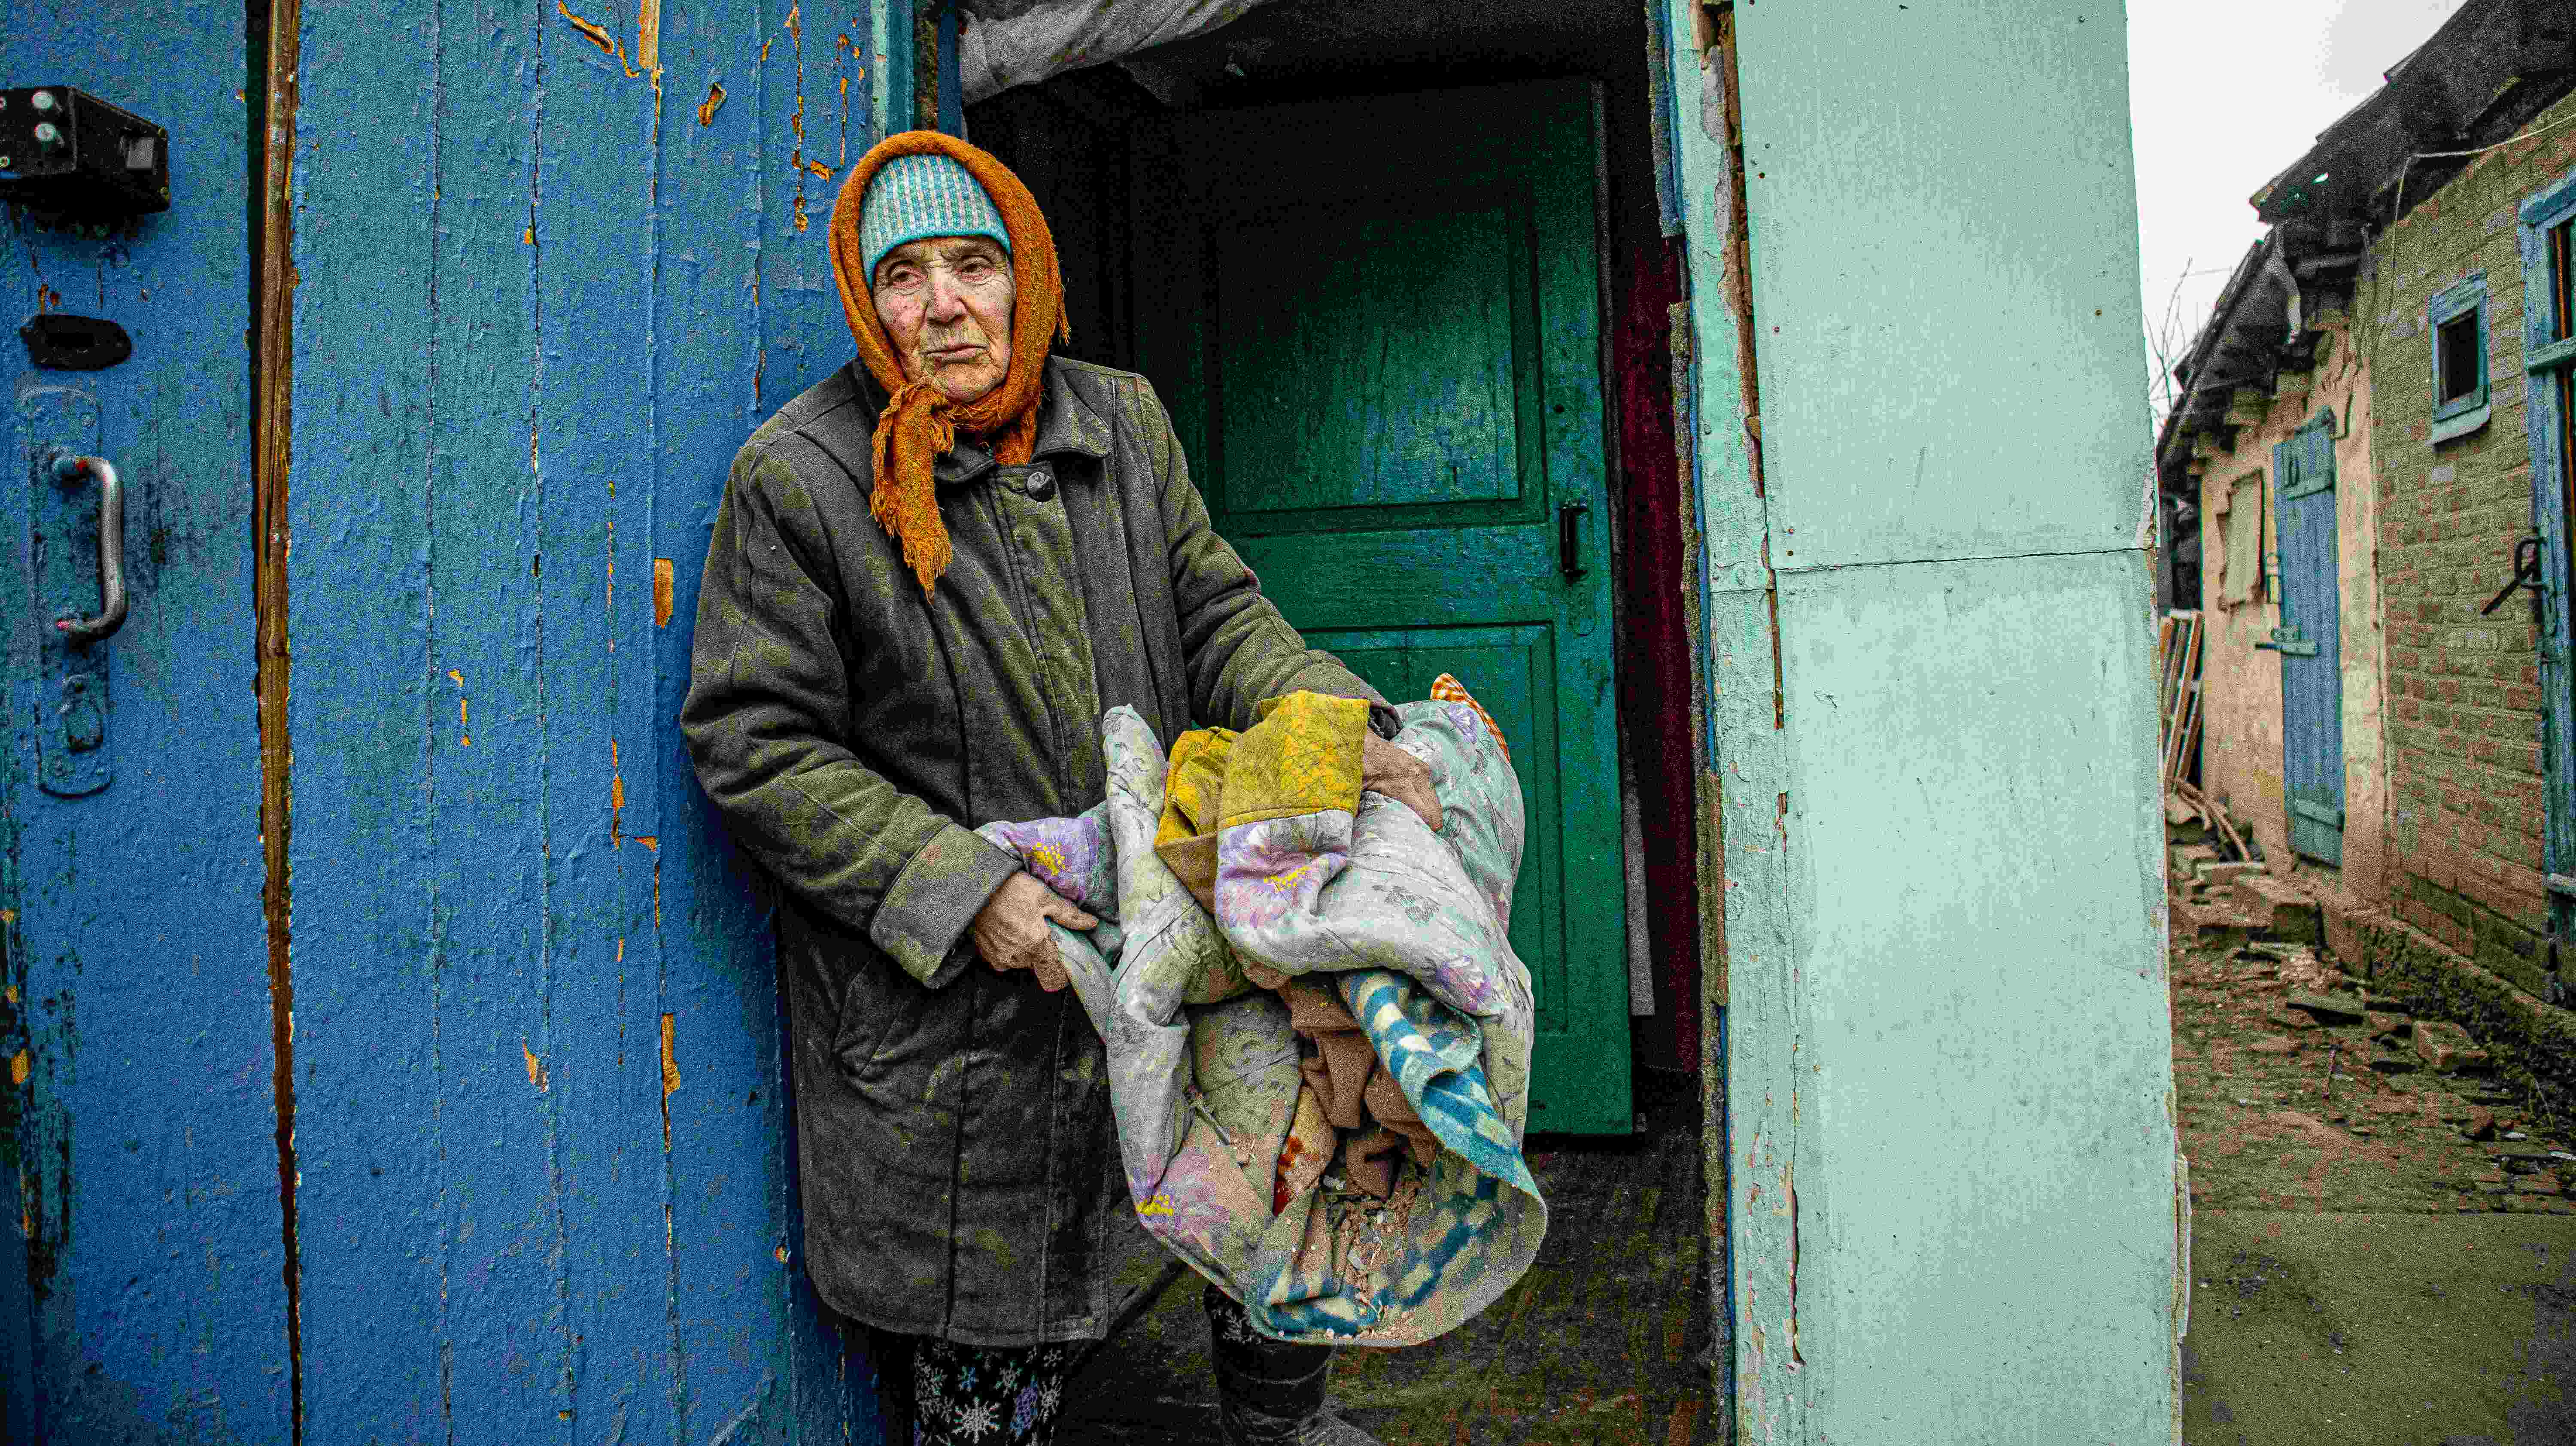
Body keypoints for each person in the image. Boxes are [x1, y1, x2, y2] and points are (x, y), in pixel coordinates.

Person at [680, 130, 1438, 1446]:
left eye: (973, 263)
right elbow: (760, 742)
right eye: (904, 275)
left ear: (1025, 274)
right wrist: (966, 891)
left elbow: (1219, 621)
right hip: (975, 1001)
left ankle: (1286, 1430)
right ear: (869, 300)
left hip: (1168, 928)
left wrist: (1329, 723)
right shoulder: (801, 480)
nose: (944, 305)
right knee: (994, 1311)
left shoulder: (1120, 425)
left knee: (1267, 1186)